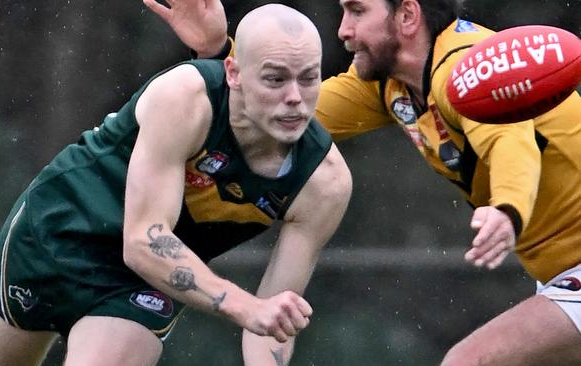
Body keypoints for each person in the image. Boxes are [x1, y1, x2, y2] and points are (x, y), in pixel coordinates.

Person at [149, 0, 581, 364]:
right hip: (560, 273)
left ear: (407, 16)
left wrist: (507, 208)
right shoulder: (392, 85)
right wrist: (217, 54)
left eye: (356, 11)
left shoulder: (460, 69)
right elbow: (280, 115)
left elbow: (511, 139)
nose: (343, 30)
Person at [0, 4, 353, 366]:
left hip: (142, 282)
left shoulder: (324, 183)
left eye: (309, 79)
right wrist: (245, 306)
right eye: (275, 79)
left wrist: (261, 326)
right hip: (60, 230)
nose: (295, 99)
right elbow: (144, 240)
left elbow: (270, 321)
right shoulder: (185, 98)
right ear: (234, 73)